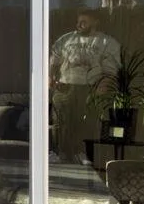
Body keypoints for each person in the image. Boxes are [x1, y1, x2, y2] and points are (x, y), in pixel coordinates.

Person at [49, 8, 120, 158]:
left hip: (89, 88)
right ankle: (61, 156)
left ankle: (82, 157)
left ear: (95, 22)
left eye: (84, 22)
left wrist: (101, 88)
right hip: (64, 87)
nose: (79, 25)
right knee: (62, 123)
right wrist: (50, 78)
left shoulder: (107, 42)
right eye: (78, 21)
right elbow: (53, 61)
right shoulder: (66, 39)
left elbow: (110, 70)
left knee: (86, 125)